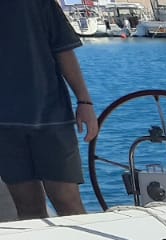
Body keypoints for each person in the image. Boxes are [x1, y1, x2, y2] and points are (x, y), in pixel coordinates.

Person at [0, 0, 98, 222]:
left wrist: (85, 102)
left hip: (51, 117)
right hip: (4, 126)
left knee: (68, 202)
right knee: (27, 207)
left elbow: (63, 49)